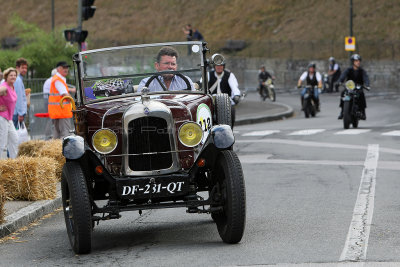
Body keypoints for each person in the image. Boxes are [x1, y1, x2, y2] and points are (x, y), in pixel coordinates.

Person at [207, 61, 241, 127]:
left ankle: (229, 128)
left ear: (223, 66)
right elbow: (201, 84)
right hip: (211, 99)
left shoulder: (229, 75)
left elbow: (234, 86)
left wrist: (237, 95)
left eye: (221, 65)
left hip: (226, 100)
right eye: (217, 65)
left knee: (231, 110)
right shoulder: (208, 74)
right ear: (214, 66)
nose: (219, 67)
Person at [337, 54, 370, 120]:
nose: (358, 62)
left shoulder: (361, 71)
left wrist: (367, 84)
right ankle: (342, 111)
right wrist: (339, 81)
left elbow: (366, 78)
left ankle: (362, 112)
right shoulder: (349, 70)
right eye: (356, 61)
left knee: (361, 95)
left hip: (358, 88)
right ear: (353, 62)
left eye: (359, 61)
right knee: (343, 93)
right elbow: (343, 76)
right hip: (350, 87)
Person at [48, 61, 73, 139]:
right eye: (63, 68)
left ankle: (56, 150)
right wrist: (74, 102)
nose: (66, 69)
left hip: (58, 111)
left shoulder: (57, 79)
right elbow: (65, 95)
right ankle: (63, 150)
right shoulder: (58, 79)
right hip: (62, 111)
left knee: (57, 133)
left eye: (67, 68)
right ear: (58, 69)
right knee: (65, 134)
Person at [0, 68, 19, 159]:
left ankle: (13, 162)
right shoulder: (4, 87)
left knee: (15, 139)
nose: (13, 77)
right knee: (2, 143)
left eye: (15, 75)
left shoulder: (12, 87)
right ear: (6, 77)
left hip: (9, 118)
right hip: (2, 117)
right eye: (11, 75)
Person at [13, 58, 28, 129]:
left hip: (16, 112)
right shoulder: (18, 80)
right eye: (22, 68)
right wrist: (21, 113)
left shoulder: (18, 79)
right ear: (17, 68)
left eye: (26, 68)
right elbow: (18, 98)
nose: (25, 70)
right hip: (17, 113)